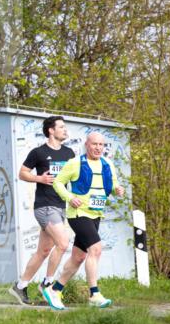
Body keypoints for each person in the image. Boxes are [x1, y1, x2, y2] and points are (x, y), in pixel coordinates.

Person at [41, 131, 125, 310]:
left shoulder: (107, 164)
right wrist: (70, 197)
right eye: (94, 144)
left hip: (96, 214)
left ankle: (55, 290)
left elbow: (112, 183)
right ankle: (94, 294)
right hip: (78, 214)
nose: (98, 148)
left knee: (78, 257)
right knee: (95, 249)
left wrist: (117, 189)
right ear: (87, 145)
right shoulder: (75, 163)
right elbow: (57, 183)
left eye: (101, 145)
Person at [8, 115, 74, 306]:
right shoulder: (38, 152)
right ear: (51, 130)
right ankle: (47, 284)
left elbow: (74, 176)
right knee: (63, 243)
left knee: (43, 251)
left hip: (60, 205)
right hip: (45, 206)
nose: (65, 129)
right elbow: (22, 173)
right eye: (61, 127)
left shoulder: (69, 153)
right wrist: (40, 179)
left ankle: (20, 286)